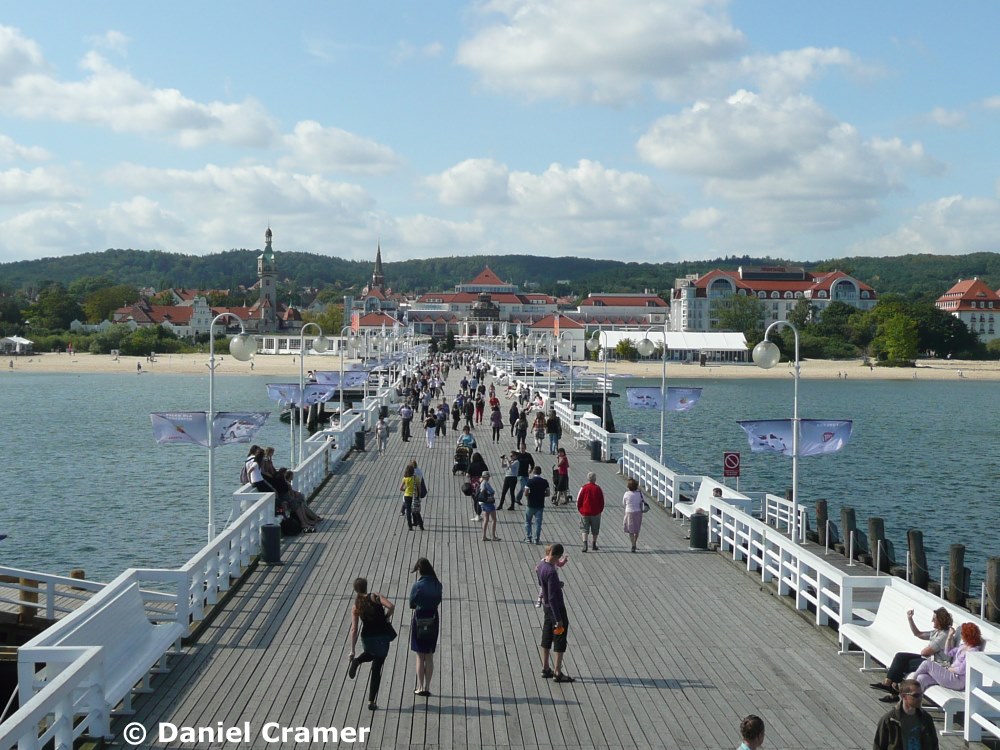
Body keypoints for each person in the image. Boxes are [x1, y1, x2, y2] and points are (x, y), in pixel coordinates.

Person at [871, 607, 954, 700]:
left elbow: (925, 652)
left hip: (937, 665)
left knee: (905, 664)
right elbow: (918, 634)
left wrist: (926, 651)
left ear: (940, 620)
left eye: (934, 619)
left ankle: (893, 691)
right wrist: (910, 618)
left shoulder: (944, 635)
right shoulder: (937, 632)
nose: (932, 620)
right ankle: (888, 684)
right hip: (929, 660)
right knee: (900, 656)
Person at [347, 578, 396, 711]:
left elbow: (354, 629)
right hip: (381, 636)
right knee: (376, 668)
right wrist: (386, 617)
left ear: (355, 589)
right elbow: (391, 606)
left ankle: (357, 660)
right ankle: (371, 701)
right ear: (366, 587)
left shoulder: (356, 605)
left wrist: (352, 650)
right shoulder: (375, 596)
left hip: (367, 637)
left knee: (369, 653)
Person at [536, 542, 574, 683]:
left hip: (546, 607)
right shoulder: (551, 572)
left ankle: (545, 667)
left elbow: (541, 584)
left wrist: (557, 585)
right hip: (556, 608)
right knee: (559, 637)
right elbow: (552, 597)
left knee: (546, 635)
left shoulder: (541, 566)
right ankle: (557, 671)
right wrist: (558, 618)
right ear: (557, 556)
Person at [912, 621, 984, 692]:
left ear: (968, 636)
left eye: (962, 633)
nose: (961, 635)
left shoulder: (973, 651)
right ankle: (915, 697)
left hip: (958, 680)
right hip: (950, 676)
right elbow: (948, 652)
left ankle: (909, 684)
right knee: (921, 678)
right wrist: (949, 637)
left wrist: (948, 668)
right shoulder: (963, 646)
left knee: (926, 664)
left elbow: (961, 670)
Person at [872, 678, 938, 750]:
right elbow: (878, 746)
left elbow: (934, 745)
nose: (920, 698)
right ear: (903, 696)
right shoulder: (889, 720)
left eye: (921, 695)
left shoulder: (926, 718)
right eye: (915, 695)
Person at [409, 558, 443, 698]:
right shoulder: (437, 584)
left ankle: (420, 686)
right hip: (433, 617)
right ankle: (428, 686)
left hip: (420, 617)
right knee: (429, 655)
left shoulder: (417, 585)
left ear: (420, 571)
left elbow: (412, 603)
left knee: (419, 655)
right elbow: (438, 600)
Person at [577, 472, 605, 552]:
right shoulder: (598, 488)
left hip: (585, 512)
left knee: (584, 529)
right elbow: (601, 501)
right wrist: (600, 510)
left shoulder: (584, 488)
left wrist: (580, 509)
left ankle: (585, 544)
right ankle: (594, 544)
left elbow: (579, 500)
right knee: (595, 529)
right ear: (595, 479)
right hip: (595, 512)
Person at [523, 466, 550, 544]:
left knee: (528, 522)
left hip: (530, 504)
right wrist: (541, 494)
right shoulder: (545, 482)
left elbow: (526, 493)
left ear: (533, 472)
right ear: (540, 472)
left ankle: (528, 538)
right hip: (540, 505)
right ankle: (536, 539)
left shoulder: (530, 481)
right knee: (538, 523)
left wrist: (531, 494)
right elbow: (548, 494)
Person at [622, 478, 645, 553]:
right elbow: (643, 501)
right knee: (636, 529)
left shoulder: (626, 494)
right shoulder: (640, 493)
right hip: (638, 512)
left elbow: (624, 503)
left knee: (631, 530)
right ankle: (635, 542)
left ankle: (633, 544)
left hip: (629, 512)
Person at [399, 464, 422, 530]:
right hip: (414, 495)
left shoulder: (405, 478)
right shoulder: (416, 478)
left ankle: (410, 526)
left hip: (407, 496)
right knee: (415, 510)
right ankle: (418, 523)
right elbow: (419, 488)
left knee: (408, 511)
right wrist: (419, 495)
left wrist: (405, 490)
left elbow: (400, 488)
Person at [467, 452, 488, 522]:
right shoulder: (483, 465)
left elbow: (467, 474)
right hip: (481, 482)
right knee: (480, 499)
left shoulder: (471, 465)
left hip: (473, 483)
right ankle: (479, 515)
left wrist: (470, 478)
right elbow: (486, 473)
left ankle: (477, 515)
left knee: (475, 500)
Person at [478, 471, 499, 541]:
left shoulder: (481, 483)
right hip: (488, 503)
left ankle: (484, 536)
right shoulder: (485, 483)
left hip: (483, 503)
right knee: (494, 519)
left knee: (486, 519)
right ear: (486, 477)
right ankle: (493, 536)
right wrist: (490, 494)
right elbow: (489, 491)